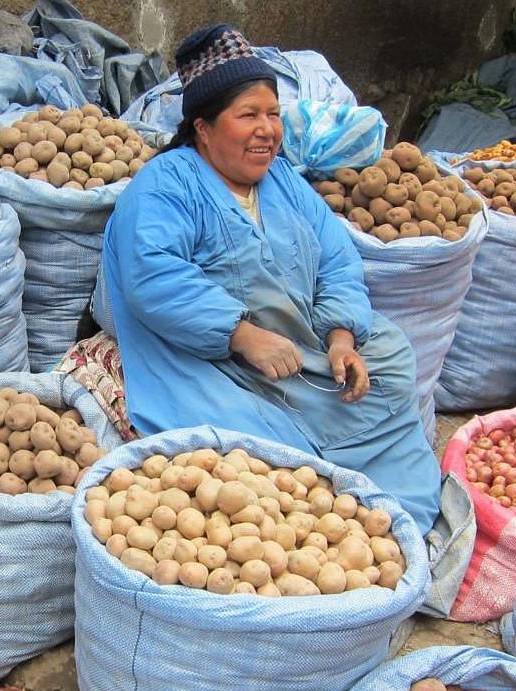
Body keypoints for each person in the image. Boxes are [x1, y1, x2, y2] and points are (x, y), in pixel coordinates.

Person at [100, 24, 441, 533]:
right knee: (261, 458)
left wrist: (341, 337)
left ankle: (391, 518)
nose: (267, 129)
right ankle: (328, 516)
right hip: (210, 360)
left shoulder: (282, 179)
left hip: (305, 347)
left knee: (390, 359)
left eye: (274, 114)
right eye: (249, 115)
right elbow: (152, 275)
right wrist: (241, 335)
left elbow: (337, 259)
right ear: (204, 127)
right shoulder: (164, 185)